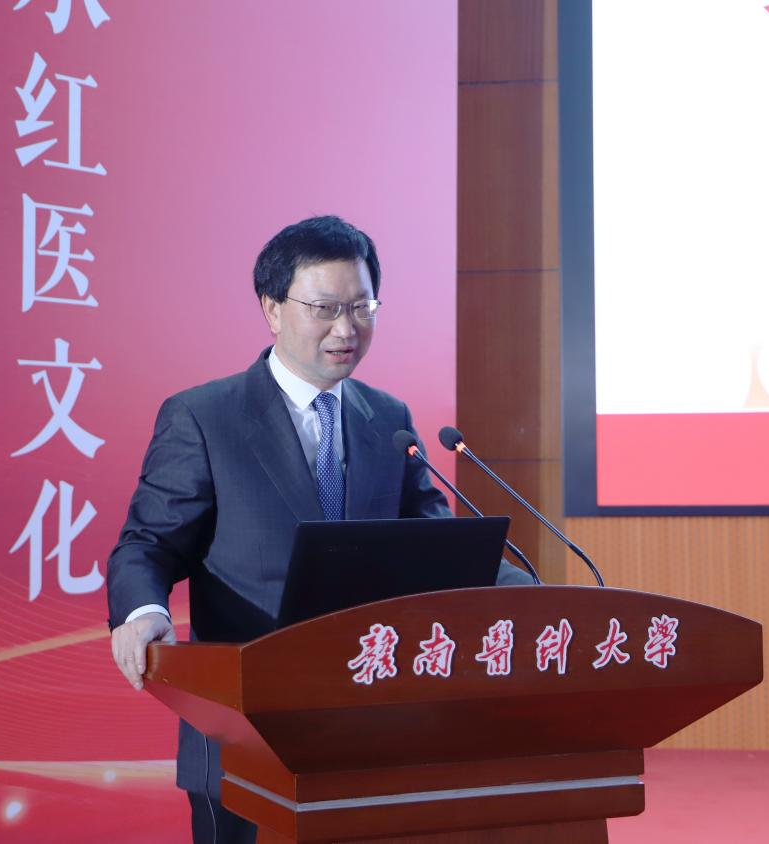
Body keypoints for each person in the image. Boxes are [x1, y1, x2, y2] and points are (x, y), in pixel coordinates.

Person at [106, 215, 530, 844]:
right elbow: (148, 544)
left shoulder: (387, 418)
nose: (346, 329)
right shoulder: (205, 416)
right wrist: (143, 612)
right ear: (272, 309)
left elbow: (436, 545)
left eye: (362, 307)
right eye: (325, 308)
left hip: (371, 726)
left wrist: (531, 592)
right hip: (246, 727)